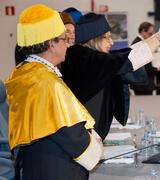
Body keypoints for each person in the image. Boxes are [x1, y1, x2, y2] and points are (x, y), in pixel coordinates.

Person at [5, 4, 103, 179]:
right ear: (52, 43)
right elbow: (68, 132)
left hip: (36, 166)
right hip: (56, 169)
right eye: (65, 39)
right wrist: (96, 147)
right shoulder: (45, 82)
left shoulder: (24, 72)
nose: (68, 45)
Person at [60, 13, 160, 140]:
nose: (111, 42)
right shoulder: (85, 59)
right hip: (79, 138)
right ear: (93, 39)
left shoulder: (85, 57)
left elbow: (124, 55)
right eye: (107, 37)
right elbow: (126, 58)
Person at [131, 22, 160, 95]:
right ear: (143, 31)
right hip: (143, 84)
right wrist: (158, 69)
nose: (151, 36)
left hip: (141, 83)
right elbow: (146, 67)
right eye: (150, 34)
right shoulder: (140, 44)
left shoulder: (137, 42)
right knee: (144, 105)